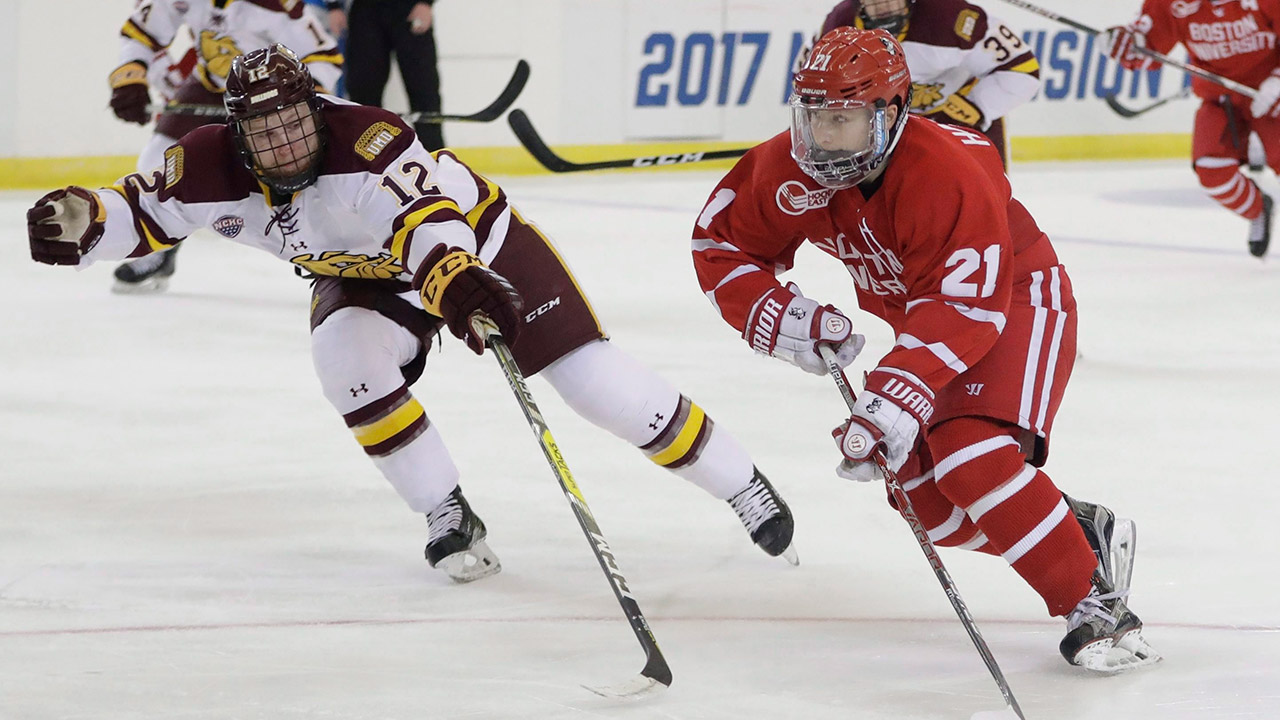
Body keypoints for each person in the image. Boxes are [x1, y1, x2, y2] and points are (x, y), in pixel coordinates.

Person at [29, 44, 798, 583]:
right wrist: (84, 220)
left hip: (474, 252)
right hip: (365, 277)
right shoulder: (206, 162)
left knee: (592, 385)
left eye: (295, 121)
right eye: (265, 132)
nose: (286, 140)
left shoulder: (365, 140)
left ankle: (741, 484)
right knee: (346, 364)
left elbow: (425, 219)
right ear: (239, 134)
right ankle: (447, 513)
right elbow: (138, 211)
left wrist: (454, 277)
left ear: (313, 106)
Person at [691, 27, 1161, 672]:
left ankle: (1095, 604)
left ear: (889, 115)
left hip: (1016, 303)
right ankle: (1074, 530)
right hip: (927, 325)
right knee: (923, 500)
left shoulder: (947, 172)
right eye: (814, 118)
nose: (823, 138)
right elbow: (721, 245)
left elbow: (964, 305)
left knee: (970, 455)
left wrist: (893, 393)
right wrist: (778, 315)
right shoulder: (791, 166)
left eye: (844, 120)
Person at [108, 0, 343, 293]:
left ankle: (332, 256)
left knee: (298, 177)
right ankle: (157, 255)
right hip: (210, 85)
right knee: (157, 159)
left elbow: (323, 57)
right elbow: (142, 30)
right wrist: (130, 77)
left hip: (267, 97)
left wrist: (303, 105)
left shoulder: (278, 5)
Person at [1103, 4, 1280, 258]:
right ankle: (1258, 209)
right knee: (1213, 172)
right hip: (1220, 99)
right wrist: (1126, 45)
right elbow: (1147, 46)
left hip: (1273, 94)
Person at [812, 0, 1040, 167]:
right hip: (886, 133)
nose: (884, 6)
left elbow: (1023, 70)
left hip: (963, 127)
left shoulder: (952, 17)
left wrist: (968, 111)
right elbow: (809, 83)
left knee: (988, 209)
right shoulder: (839, 26)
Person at [323, 0, 444, 152]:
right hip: (365, 11)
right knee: (363, 93)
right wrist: (334, 7)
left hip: (412, 7)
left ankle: (435, 160)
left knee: (424, 89)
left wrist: (426, 3)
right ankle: (365, 160)